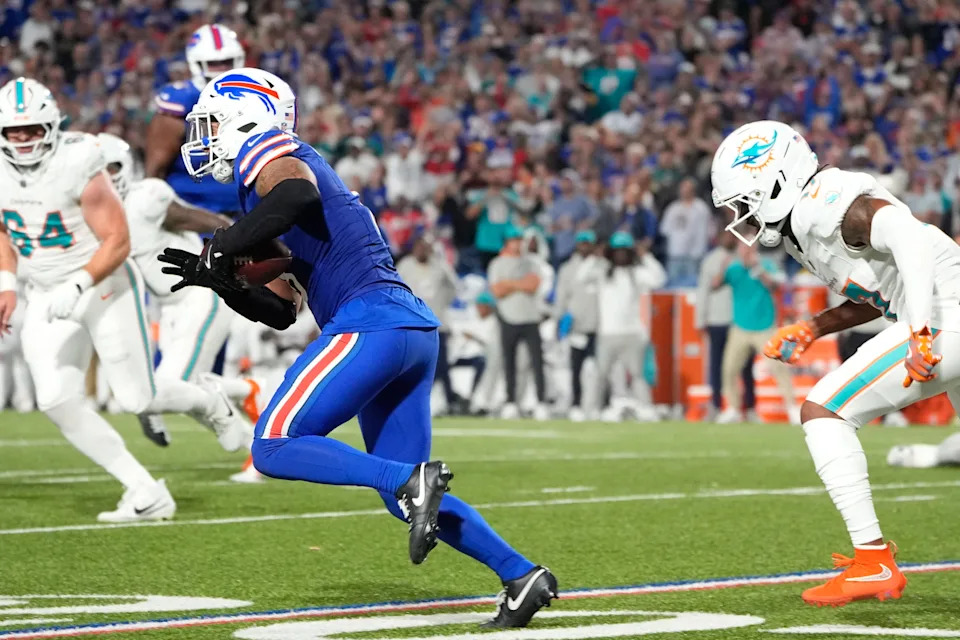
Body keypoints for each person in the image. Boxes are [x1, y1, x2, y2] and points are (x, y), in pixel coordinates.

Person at [158, 68, 557, 628]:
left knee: (272, 444)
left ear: (246, 116)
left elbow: (294, 193)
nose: (202, 136)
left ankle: (410, 482)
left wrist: (223, 243)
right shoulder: (269, 194)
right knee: (404, 494)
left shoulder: (274, 153)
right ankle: (520, 575)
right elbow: (280, 310)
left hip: (370, 322)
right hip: (408, 330)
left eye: (211, 122)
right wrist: (224, 280)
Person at [712, 119, 960, 607]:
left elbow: (907, 234)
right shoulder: (803, 226)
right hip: (942, 307)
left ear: (776, 182)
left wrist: (919, 332)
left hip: (946, 311)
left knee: (823, 409)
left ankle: (872, 561)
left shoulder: (821, 202)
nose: (741, 215)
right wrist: (815, 328)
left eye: (744, 202)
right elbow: (881, 290)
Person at [0, 77, 175, 522]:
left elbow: (118, 239)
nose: (22, 141)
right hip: (44, 291)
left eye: (32, 130)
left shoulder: (77, 160)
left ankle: (214, 399)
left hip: (103, 283)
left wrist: (77, 283)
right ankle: (145, 490)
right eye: (13, 132)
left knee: (137, 397)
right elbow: (3, 228)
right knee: (56, 399)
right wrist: (6, 282)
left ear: (52, 127)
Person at [97, 133, 250, 451]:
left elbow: (211, 221)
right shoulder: (93, 216)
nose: (102, 178)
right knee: (183, 389)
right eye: (95, 171)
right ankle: (253, 418)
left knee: (170, 386)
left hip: (199, 295)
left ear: (125, 168)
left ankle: (244, 397)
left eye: (108, 169)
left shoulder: (144, 197)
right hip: (166, 307)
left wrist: (239, 242)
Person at [146, 24, 244, 216]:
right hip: (195, 214)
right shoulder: (179, 105)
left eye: (227, 61)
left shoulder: (254, 96)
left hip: (247, 210)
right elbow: (154, 174)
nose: (221, 69)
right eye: (214, 64)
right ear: (196, 63)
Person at [711, 241, 798, 425]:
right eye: (743, 248)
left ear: (755, 250)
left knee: (779, 368)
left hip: (764, 326)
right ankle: (733, 409)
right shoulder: (733, 268)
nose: (746, 252)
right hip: (740, 327)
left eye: (749, 248)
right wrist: (722, 267)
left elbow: (775, 287)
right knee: (728, 369)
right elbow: (715, 285)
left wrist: (758, 270)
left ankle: (791, 408)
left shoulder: (766, 265)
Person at [582, 231, 666, 422]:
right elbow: (582, 277)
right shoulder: (603, 272)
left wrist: (646, 256)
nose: (620, 255)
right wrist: (595, 257)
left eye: (624, 251)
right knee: (599, 375)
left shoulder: (636, 273)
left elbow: (659, 278)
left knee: (637, 375)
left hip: (632, 334)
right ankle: (590, 411)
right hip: (608, 334)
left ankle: (646, 409)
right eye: (617, 251)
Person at [396, 232, 466, 415]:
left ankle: (447, 401)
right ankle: (405, 402)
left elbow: (455, 286)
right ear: (413, 248)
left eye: (426, 246)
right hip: (411, 325)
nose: (422, 250)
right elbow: (394, 288)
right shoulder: (405, 266)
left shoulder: (440, 266)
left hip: (436, 323)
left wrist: (442, 303)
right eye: (419, 246)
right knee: (407, 366)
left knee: (440, 365)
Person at [487, 224, 550, 421]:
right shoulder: (497, 264)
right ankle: (511, 401)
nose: (517, 244)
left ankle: (541, 401)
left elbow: (533, 285)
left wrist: (509, 283)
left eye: (519, 240)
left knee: (537, 362)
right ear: (507, 242)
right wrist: (519, 284)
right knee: (509, 363)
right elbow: (497, 291)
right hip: (508, 317)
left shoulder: (531, 262)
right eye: (514, 240)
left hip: (531, 317)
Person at [695, 230, 756, 421]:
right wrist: (700, 319)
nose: (730, 238)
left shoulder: (746, 259)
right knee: (717, 366)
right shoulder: (712, 260)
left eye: (734, 235)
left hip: (741, 320)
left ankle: (749, 408)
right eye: (727, 235)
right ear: (720, 237)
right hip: (717, 319)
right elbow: (704, 290)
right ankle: (716, 405)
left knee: (745, 367)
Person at [554, 230, 599, 421]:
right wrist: (559, 319)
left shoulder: (603, 267)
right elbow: (562, 297)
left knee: (600, 370)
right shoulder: (567, 269)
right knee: (576, 369)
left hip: (599, 326)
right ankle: (576, 404)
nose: (584, 246)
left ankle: (599, 405)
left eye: (588, 243)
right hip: (576, 326)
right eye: (581, 242)